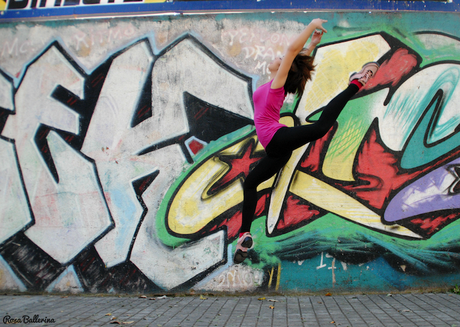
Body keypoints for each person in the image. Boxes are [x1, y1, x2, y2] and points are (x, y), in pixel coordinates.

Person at [234, 18, 380, 264]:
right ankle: (244, 237)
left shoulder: (276, 86)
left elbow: (291, 52)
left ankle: (356, 82)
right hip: (276, 150)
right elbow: (296, 57)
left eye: (282, 61)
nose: (279, 58)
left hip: (277, 138)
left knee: (321, 127)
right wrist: (312, 44)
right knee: (250, 184)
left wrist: (311, 26)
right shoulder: (272, 83)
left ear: (284, 69)